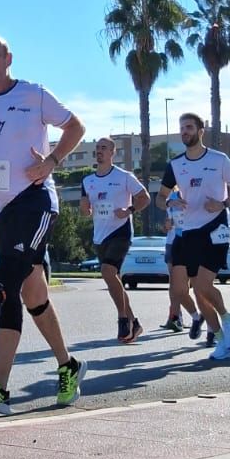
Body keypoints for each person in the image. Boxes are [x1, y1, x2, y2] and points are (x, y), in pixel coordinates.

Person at [0, 34, 86, 413]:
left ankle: (0, 387)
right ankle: (69, 365)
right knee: (33, 295)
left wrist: (52, 160)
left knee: (5, 286)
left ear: (9, 58)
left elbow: (76, 127)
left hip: (34, 202)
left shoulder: (33, 94)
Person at [155, 113, 230, 360]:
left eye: (189, 127)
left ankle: (227, 320)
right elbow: (160, 199)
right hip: (186, 231)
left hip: (214, 229)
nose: (184, 132)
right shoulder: (175, 164)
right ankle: (221, 339)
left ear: (200, 131)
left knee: (203, 287)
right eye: (181, 128)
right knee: (180, 288)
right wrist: (171, 201)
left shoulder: (219, 160)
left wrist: (223, 204)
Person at [79, 136, 147, 344]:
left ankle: (122, 319)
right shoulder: (87, 181)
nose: (99, 151)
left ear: (112, 153)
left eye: (104, 148)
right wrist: (85, 210)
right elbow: (84, 208)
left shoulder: (124, 177)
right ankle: (134, 323)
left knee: (108, 272)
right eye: (97, 148)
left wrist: (129, 210)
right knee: (113, 279)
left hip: (121, 232)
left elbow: (144, 197)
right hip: (100, 236)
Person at [162, 188, 199, 334]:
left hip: (192, 242)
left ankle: (203, 318)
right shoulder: (171, 197)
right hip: (173, 243)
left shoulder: (196, 194)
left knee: (194, 285)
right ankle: (176, 317)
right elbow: (167, 224)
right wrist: (167, 225)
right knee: (174, 284)